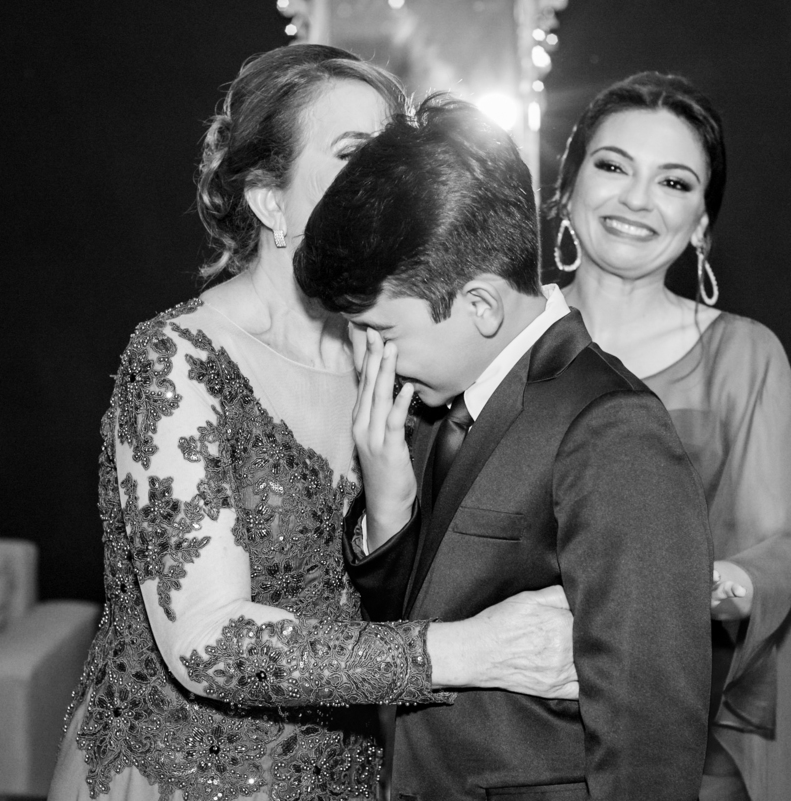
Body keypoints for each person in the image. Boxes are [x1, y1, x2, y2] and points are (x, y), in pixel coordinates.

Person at [48, 45, 577, 801]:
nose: (387, 184)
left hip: (356, 773)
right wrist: (469, 651)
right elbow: (207, 641)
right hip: (188, 775)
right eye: (354, 156)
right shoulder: (177, 361)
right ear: (270, 202)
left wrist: (391, 519)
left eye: (392, 156)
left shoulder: (407, 351)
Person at [295, 94, 713, 801]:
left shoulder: (613, 428)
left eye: (381, 332)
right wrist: (389, 509)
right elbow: (411, 634)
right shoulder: (432, 405)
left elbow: (652, 730)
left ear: (482, 305)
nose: (370, 357)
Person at [546, 71, 791, 801]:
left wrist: (652, 597)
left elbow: (778, 550)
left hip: (686, 722)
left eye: (673, 182)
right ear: (567, 189)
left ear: (700, 223)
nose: (637, 199)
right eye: (613, 166)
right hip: (514, 716)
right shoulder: (503, 336)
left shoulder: (746, 354)